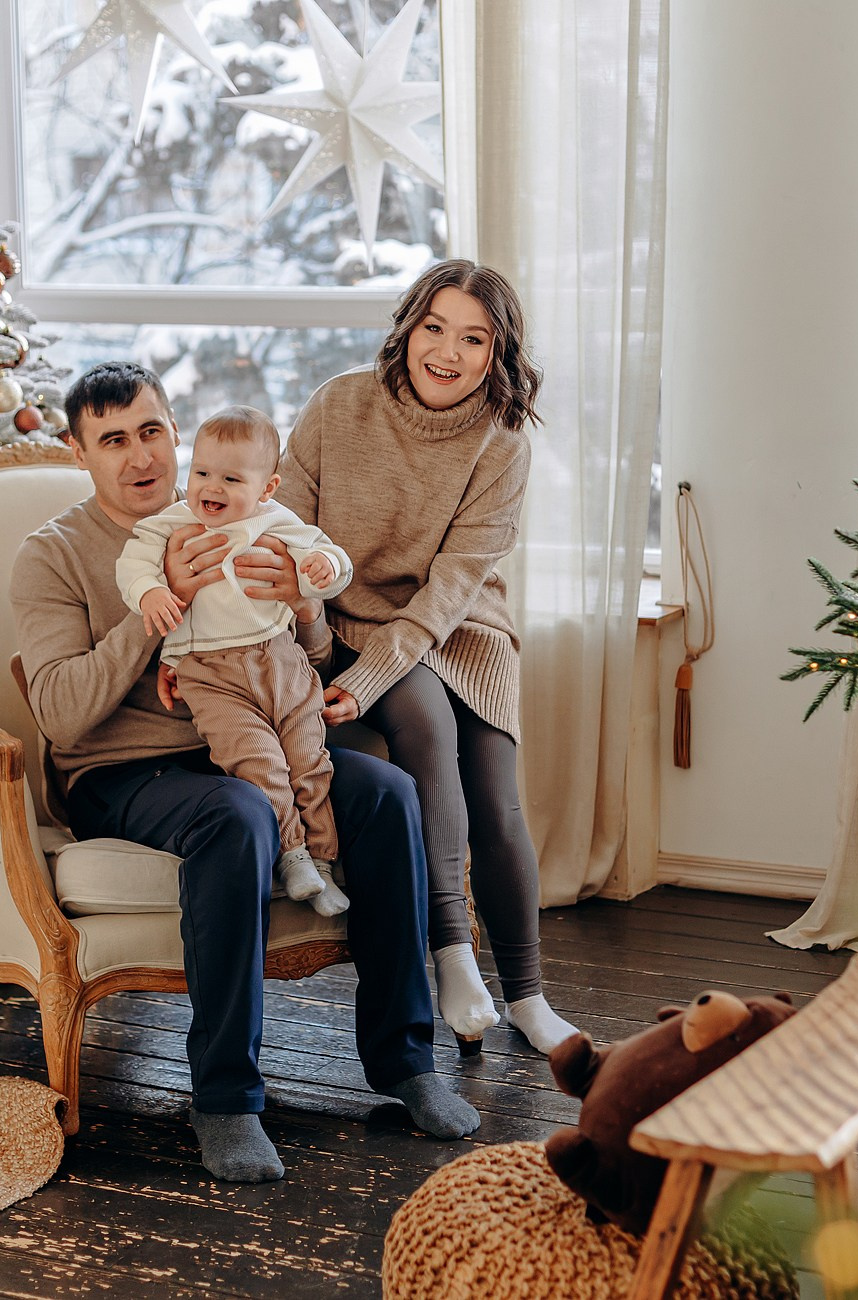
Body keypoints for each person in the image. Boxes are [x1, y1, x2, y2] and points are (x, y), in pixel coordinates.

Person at [11, 362, 479, 1183]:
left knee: (388, 795)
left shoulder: (234, 515)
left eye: (152, 430)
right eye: (112, 440)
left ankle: (406, 1062)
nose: (139, 456)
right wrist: (153, 620)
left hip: (245, 740)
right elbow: (58, 713)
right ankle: (226, 1098)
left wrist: (302, 603)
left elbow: (306, 661)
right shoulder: (52, 555)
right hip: (123, 774)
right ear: (78, 452)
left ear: (174, 430)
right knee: (239, 814)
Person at [169, 260, 580, 1056]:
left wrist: (369, 679)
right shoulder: (340, 406)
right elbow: (283, 534)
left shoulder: (502, 443)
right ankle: (455, 958)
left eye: (474, 338)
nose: (448, 352)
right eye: (435, 328)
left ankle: (528, 996)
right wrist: (310, 622)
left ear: (498, 354)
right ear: (408, 327)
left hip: (459, 628)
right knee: (425, 728)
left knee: (497, 796)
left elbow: (452, 589)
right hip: (343, 617)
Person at [116, 405, 354, 917]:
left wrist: (321, 568)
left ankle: (324, 863)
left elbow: (331, 560)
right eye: (201, 472)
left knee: (309, 762)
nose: (212, 487)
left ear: (267, 488)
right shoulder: (173, 522)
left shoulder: (278, 521)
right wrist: (150, 593)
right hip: (209, 673)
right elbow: (132, 562)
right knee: (261, 766)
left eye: (230, 478)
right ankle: (293, 857)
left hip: (280, 662)